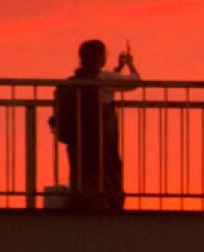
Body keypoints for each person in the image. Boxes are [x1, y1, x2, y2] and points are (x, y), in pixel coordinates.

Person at [51, 38, 141, 209]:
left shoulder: (75, 81)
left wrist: (117, 70)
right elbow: (135, 81)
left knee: (82, 172)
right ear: (100, 57)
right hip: (101, 135)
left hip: (79, 138)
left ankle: (81, 200)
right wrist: (130, 64)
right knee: (108, 170)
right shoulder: (103, 78)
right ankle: (110, 202)